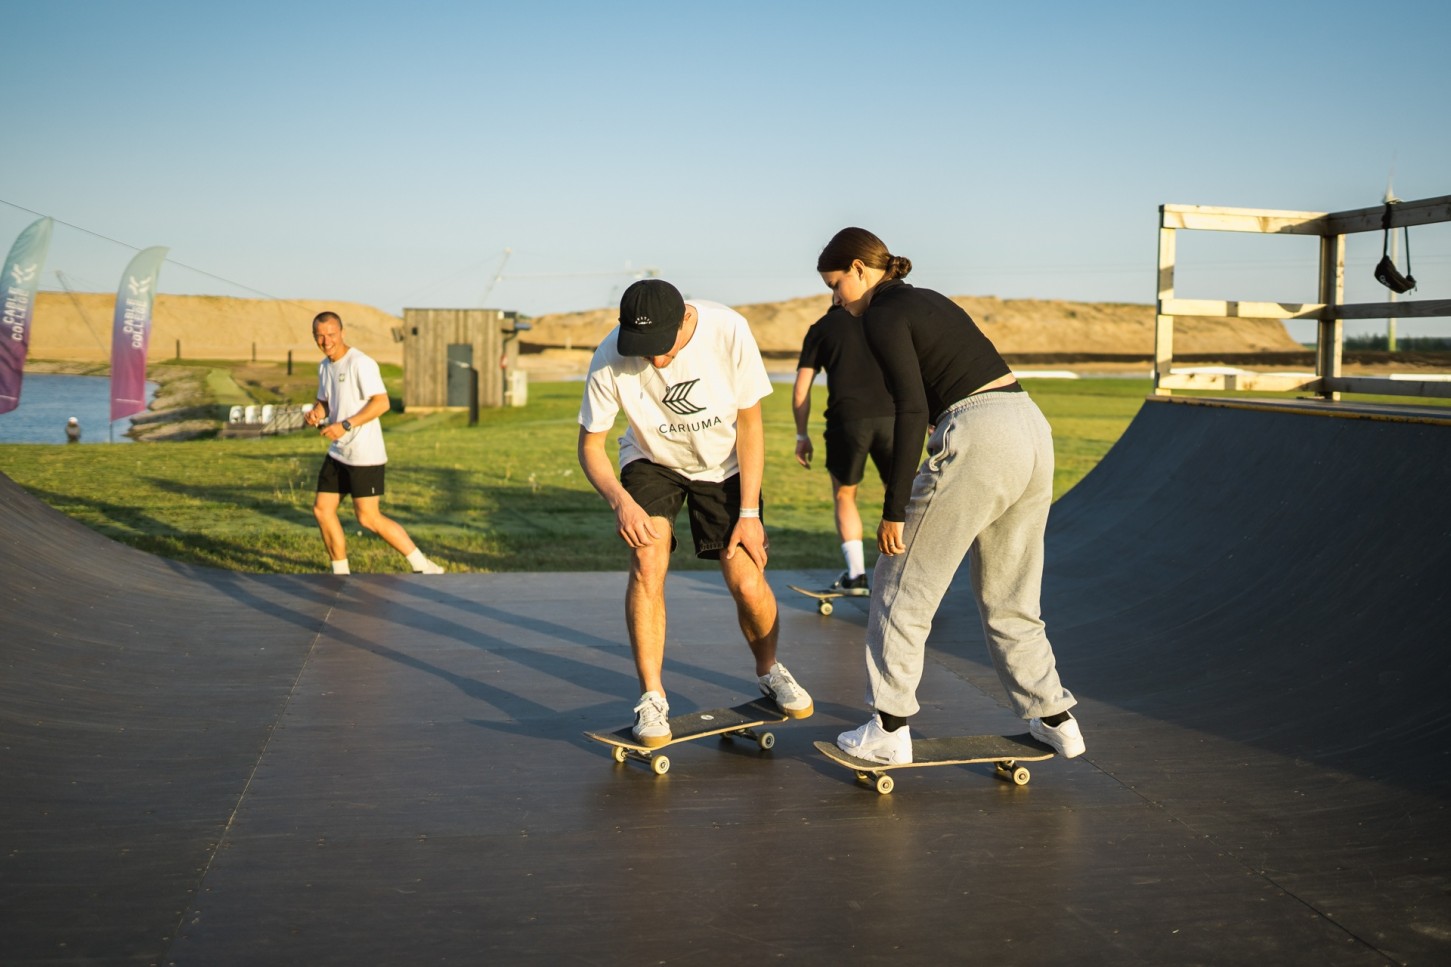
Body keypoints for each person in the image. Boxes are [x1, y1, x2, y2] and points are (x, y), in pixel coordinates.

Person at [816, 227, 1084, 764]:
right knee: (1011, 596)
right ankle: (1056, 718)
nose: (836, 300)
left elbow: (911, 409)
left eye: (836, 285)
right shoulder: (928, 300)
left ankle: (889, 729)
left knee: (899, 586)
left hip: (979, 434)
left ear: (861, 269)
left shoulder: (882, 315)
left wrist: (894, 510)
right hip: (1030, 426)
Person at [577, 278, 813, 747]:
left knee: (746, 579)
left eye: (662, 347)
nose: (655, 360)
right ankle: (652, 697)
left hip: (725, 465)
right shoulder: (609, 354)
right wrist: (622, 503)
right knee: (647, 560)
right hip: (651, 461)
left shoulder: (728, 329)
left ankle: (769, 670)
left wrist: (749, 513)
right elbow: (590, 446)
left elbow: (751, 424)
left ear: (685, 318)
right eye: (643, 348)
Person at [305, 310, 444, 575]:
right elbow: (325, 402)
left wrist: (345, 425)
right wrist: (316, 413)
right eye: (320, 336)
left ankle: (424, 566)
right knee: (322, 510)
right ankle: (340, 574)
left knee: (368, 518)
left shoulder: (360, 363)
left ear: (342, 333)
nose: (326, 341)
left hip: (364, 454)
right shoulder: (324, 367)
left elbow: (382, 403)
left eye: (331, 334)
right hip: (338, 453)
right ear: (314, 337)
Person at [792, 304, 895, 594]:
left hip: (847, 421)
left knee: (845, 495)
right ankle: (906, 573)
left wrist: (802, 435)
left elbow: (801, 390)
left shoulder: (821, 328)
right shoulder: (886, 320)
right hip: (894, 418)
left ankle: (856, 574)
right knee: (900, 495)